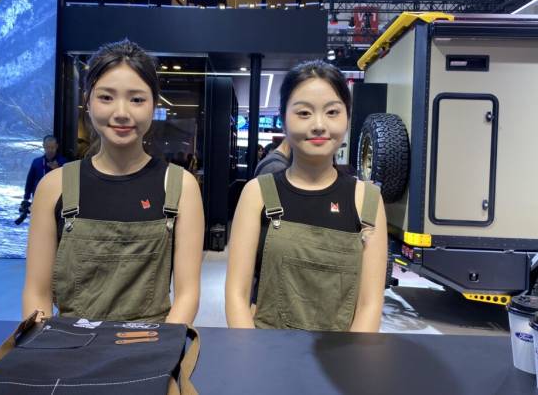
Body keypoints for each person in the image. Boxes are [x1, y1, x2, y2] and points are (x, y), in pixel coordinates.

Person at [22, 40, 204, 324]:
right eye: (106, 97)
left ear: (154, 104)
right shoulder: (53, 186)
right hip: (69, 344)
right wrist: (42, 345)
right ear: (88, 101)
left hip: (151, 342)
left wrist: (162, 346)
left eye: (137, 99)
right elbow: (37, 292)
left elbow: (187, 295)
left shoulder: (181, 186)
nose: (121, 112)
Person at [225, 60, 387, 332]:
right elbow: (236, 295)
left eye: (332, 112)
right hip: (265, 349)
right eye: (304, 113)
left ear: (347, 118)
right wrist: (250, 352)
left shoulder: (367, 200)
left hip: (341, 355)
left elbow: (370, 305)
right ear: (283, 118)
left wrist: (353, 357)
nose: (319, 125)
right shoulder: (257, 193)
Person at [21, 135, 67, 207]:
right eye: (47, 147)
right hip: (39, 199)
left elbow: (69, 181)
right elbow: (30, 181)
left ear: (56, 146)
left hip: (57, 200)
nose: (50, 150)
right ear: (43, 146)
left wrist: (57, 169)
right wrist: (26, 198)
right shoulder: (36, 162)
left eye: (52, 147)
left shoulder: (64, 162)